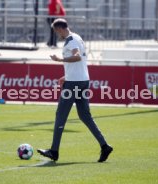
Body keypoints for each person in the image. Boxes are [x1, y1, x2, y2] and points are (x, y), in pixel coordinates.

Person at [37, 18, 113, 162]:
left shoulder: (71, 40)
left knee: (61, 115)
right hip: (82, 80)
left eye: (55, 31)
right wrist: (66, 76)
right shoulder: (77, 37)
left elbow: (77, 57)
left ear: (60, 29)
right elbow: (81, 61)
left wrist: (60, 60)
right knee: (85, 116)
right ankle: (105, 146)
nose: (56, 34)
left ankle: (54, 151)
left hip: (74, 84)